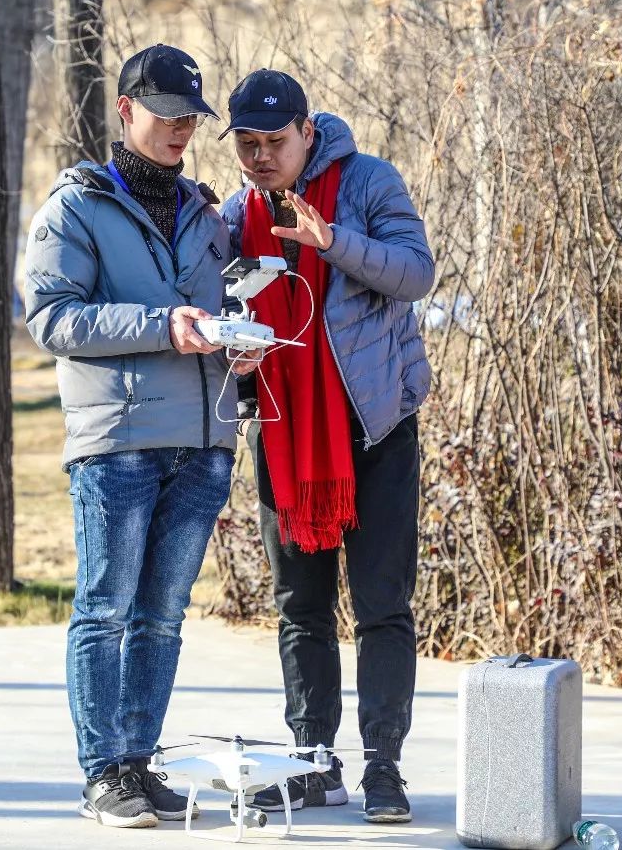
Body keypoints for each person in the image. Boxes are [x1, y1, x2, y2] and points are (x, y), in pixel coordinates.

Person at [22, 43, 254, 830]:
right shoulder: (76, 207)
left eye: (192, 116)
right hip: (118, 441)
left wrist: (240, 338)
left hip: (204, 441)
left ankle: (139, 762)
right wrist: (164, 324)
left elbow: (220, 306)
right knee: (106, 608)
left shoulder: (206, 211)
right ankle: (101, 772)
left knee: (162, 614)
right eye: (167, 115)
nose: (182, 129)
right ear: (125, 111)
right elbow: (52, 317)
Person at [219, 69, 434, 823]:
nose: (259, 156)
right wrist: (233, 355)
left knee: (382, 606)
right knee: (299, 607)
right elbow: (221, 311)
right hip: (281, 431)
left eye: (273, 141)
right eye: (247, 144)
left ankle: (384, 765)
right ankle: (313, 759)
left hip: (375, 428)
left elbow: (415, 273)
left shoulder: (370, 182)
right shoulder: (235, 212)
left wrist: (330, 240)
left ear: (308, 132)